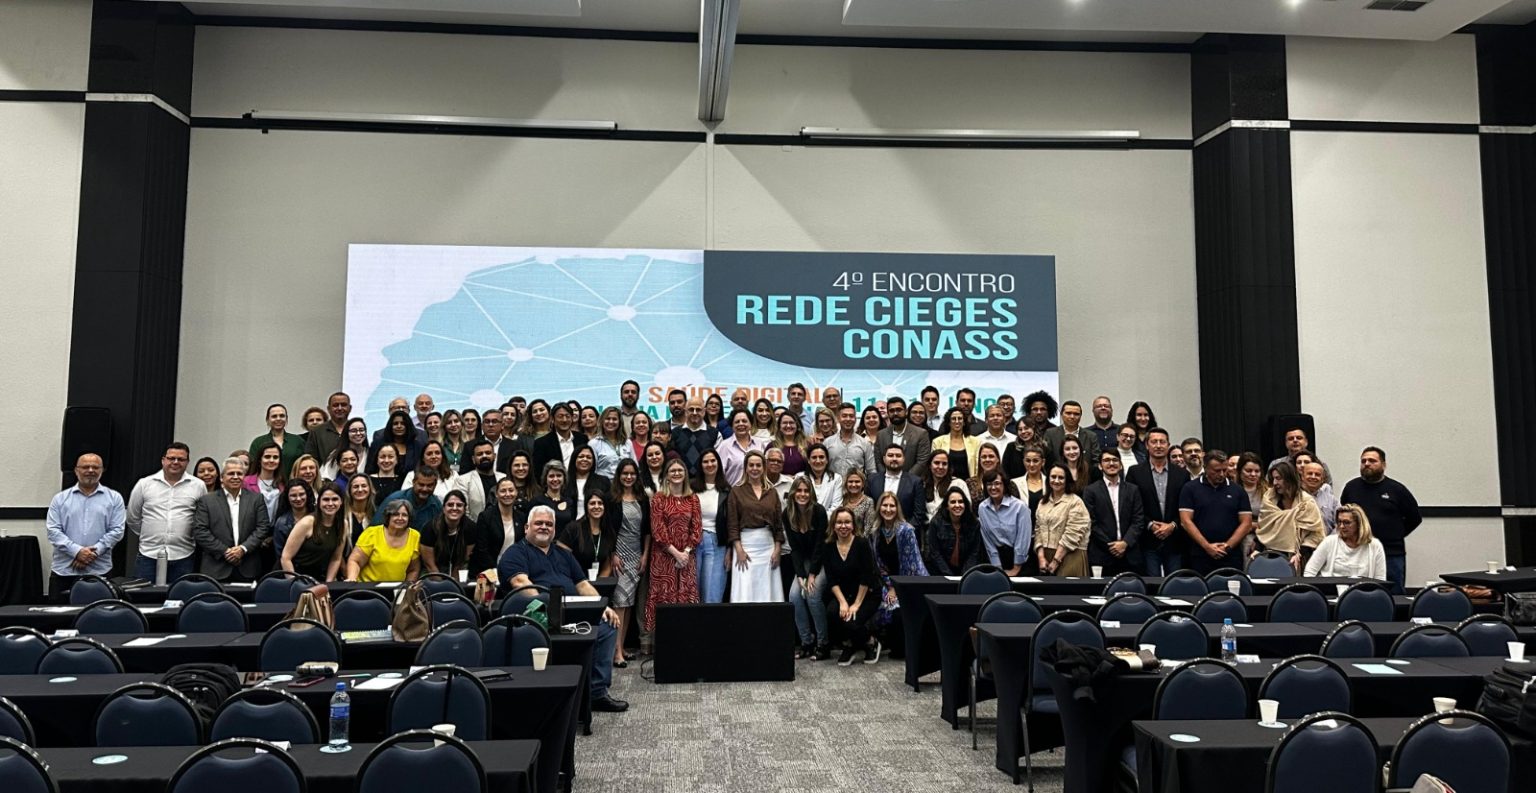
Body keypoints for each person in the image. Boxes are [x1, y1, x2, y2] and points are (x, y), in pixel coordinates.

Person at [499, 504, 628, 712]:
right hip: (539, 618)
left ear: (554, 529)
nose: (544, 527)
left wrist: (600, 607)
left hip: (573, 613)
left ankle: (597, 692)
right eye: (538, 523)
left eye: (548, 524)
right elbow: (521, 584)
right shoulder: (515, 553)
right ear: (526, 528)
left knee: (607, 626)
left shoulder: (564, 554)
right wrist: (551, 609)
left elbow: (583, 585)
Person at [1339, 447, 1421, 593]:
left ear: (1383, 465)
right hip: (1358, 551)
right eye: (1363, 461)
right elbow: (1344, 515)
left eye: (1372, 461)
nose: (1367, 464)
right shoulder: (1351, 488)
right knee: (1358, 593)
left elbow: (1414, 518)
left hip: (1391, 553)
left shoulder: (1397, 490)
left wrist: (1395, 534)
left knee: (1394, 594)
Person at [45, 453, 125, 601]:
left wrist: (91, 554)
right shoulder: (60, 499)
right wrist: (77, 552)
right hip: (64, 571)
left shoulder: (114, 498)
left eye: (95, 467)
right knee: (57, 619)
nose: (90, 470)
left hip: (99, 572)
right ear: (76, 470)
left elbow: (117, 531)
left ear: (102, 470)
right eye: (85, 467)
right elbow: (53, 531)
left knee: (98, 618)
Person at [126, 442, 203, 582]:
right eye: (171, 458)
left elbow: (201, 518)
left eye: (181, 459)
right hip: (148, 555)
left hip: (183, 555)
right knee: (143, 600)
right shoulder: (144, 484)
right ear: (163, 460)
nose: (175, 462)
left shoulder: (198, 486)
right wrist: (150, 534)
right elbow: (133, 517)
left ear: (187, 462)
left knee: (179, 599)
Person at [192, 457, 272, 582]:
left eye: (239, 473)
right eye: (230, 473)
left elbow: (262, 528)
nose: (235, 477)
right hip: (216, 568)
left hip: (248, 567)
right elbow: (200, 531)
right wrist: (225, 551)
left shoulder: (256, 499)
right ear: (222, 478)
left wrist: (242, 549)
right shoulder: (207, 501)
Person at [869, 491, 926, 661]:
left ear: (897, 508)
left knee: (898, 612)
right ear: (879, 508)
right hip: (887, 583)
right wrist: (889, 587)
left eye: (892, 506)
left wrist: (896, 589)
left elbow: (911, 566)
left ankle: (901, 649)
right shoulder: (875, 533)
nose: (888, 509)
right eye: (884, 505)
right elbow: (879, 565)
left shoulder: (906, 530)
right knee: (878, 606)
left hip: (911, 583)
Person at [645, 458, 702, 631]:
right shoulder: (659, 499)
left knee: (686, 597)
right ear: (666, 476)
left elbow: (697, 529)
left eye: (680, 470)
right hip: (663, 557)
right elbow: (657, 531)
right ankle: (664, 643)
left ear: (685, 474)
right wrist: (675, 553)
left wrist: (685, 552)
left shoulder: (693, 499)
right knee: (664, 598)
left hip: (687, 557)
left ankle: (685, 641)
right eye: (673, 471)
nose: (677, 473)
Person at [1126, 428, 1191, 575]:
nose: (1158, 445)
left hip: (1175, 539)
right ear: (1147, 445)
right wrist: (1150, 525)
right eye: (1154, 442)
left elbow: (1185, 505)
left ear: (1168, 445)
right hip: (1147, 539)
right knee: (1151, 585)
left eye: (1162, 442)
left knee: (1174, 584)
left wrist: (1172, 525)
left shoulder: (1182, 474)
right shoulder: (1135, 472)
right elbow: (1133, 506)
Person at [822, 506, 881, 666]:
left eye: (847, 522)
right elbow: (831, 578)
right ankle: (853, 644)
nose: (843, 526)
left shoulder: (862, 544)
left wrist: (855, 605)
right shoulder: (828, 546)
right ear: (833, 525)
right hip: (844, 593)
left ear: (853, 525)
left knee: (851, 620)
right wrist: (842, 602)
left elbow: (866, 577)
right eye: (839, 522)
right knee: (833, 612)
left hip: (867, 594)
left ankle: (870, 642)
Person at [1178, 449, 1253, 574]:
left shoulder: (1237, 491)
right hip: (1200, 554)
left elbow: (1246, 523)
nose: (1222, 474)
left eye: (1225, 470)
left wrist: (1227, 546)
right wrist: (1207, 547)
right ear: (1206, 468)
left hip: (1231, 554)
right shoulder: (1190, 488)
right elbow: (1186, 521)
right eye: (1217, 471)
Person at [607, 459, 650, 665]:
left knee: (629, 604)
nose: (628, 477)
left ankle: (621, 647)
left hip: (637, 555)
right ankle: (616, 653)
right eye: (625, 473)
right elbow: (607, 529)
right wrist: (612, 553)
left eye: (632, 473)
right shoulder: (612, 499)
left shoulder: (642, 498)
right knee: (620, 603)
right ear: (619, 475)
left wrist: (645, 555)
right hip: (619, 557)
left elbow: (647, 531)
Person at [727, 450, 785, 602]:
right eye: (751, 465)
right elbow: (732, 524)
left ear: (763, 467)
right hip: (745, 546)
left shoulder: (771, 491)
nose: (754, 468)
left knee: (768, 590)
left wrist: (777, 549)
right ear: (745, 468)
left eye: (758, 465)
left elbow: (778, 524)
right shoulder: (736, 491)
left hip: (768, 546)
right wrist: (738, 549)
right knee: (745, 590)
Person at [784, 476, 830, 659]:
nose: (802, 494)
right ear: (793, 493)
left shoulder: (819, 512)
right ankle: (806, 641)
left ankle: (823, 643)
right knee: (794, 596)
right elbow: (794, 549)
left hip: (822, 560)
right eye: (799, 490)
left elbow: (821, 545)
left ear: (811, 494)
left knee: (812, 595)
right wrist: (801, 575)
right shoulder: (787, 514)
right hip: (802, 561)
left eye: (806, 491)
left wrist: (812, 574)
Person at [1083, 448, 1145, 576]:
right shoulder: (1091, 491)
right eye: (1106, 460)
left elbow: (1138, 520)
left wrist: (1125, 543)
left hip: (1130, 554)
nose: (1111, 463)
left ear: (1121, 465)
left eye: (1115, 460)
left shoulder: (1133, 490)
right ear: (1100, 466)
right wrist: (1112, 546)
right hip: (1103, 554)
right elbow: (1091, 523)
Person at [1254, 461, 1325, 573]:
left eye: (1279, 478)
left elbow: (1316, 534)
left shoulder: (1306, 503)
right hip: (1271, 555)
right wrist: (1257, 549)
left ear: (1289, 478)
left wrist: (1300, 553)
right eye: (1273, 479)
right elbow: (1264, 528)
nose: (1275, 483)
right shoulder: (1269, 501)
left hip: (1298, 557)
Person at [280, 482, 346, 581]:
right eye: (326, 500)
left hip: (318, 577)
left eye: (335, 499)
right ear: (319, 502)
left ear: (341, 502)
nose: (330, 503)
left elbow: (336, 558)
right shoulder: (306, 523)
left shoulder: (343, 524)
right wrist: (295, 584)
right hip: (293, 576)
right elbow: (286, 558)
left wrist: (328, 585)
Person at [1034, 463, 1091, 576]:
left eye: (1061, 477)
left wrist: (1056, 561)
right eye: (1053, 477)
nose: (1056, 480)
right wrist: (1041, 557)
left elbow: (1073, 534)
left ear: (1067, 480)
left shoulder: (1075, 502)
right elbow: (1038, 530)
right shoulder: (1042, 502)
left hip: (1070, 555)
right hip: (1046, 556)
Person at [1305, 504, 1387, 579]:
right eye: (1339, 522)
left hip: (1363, 593)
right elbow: (1309, 571)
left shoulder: (1375, 546)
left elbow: (1380, 579)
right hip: (1333, 593)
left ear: (1359, 524)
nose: (1341, 526)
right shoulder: (1329, 542)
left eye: (1347, 523)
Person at [347, 500, 421, 583]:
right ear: (388, 516)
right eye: (395, 514)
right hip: (368, 588)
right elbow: (355, 561)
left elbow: (413, 569)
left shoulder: (415, 536)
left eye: (404, 515)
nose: (400, 518)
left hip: (396, 590)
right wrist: (352, 579)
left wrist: (407, 588)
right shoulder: (372, 533)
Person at [692, 448, 731, 604]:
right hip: (693, 543)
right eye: (705, 461)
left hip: (716, 543)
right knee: (693, 589)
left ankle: (710, 627)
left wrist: (729, 550)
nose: (709, 464)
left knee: (712, 592)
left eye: (713, 461)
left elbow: (731, 522)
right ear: (700, 465)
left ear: (718, 464)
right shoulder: (691, 488)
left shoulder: (727, 490)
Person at [977, 471, 1031, 575]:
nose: (993, 487)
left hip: (1020, 558)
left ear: (1004, 485)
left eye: (997, 483)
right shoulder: (983, 508)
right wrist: (997, 567)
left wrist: (1016, 568)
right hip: (997, 558)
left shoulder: (1020, 507)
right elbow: (988, 540)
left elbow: (1023, 539)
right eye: (989, 484)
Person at [867, 444, 927, 534]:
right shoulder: (872, 479)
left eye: (898, 456)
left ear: (903, 459)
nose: (894, 458)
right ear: (884, 459)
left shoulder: (916, 482)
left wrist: (904, 530)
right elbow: (869, 509)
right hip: (877, 534)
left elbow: (919, 513)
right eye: (890, 455)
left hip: (906, 535)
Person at [471, 477, 524, 575]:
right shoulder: (485, 517)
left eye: (511, 490)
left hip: (514, 568)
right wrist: (496, 571)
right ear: (496, 494)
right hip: (489, 570)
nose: (507, 494)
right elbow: (482, 550)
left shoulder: (521, 517)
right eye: (503, 491)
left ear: (516, 493)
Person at [924, 486, 981, 575]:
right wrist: (949, 576)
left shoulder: (974, 524)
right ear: (947, 506)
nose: (957, 505)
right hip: (939, 572)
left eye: (961, 502)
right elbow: (935, 553)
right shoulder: (936, 523)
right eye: (953, 502)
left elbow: (974, 553)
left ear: (965, 504)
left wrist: (964, 576)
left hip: (966, 572)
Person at [558, 491, 614, 579]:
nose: (596, 506)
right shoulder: (573, 528)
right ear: (586, 507)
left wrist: (597, 585)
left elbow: (607, 566)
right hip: (573, 580)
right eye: (592, 503)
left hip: (598, 584)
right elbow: (561, 559)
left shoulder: (608, 532)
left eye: (600, 503)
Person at [419, 489, 474, 577]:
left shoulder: (471, 528)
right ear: (444, 509)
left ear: (464, 509)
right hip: (431, 571)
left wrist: (453, 585)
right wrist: (443, 586)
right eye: (450, 505)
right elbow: (429, 564)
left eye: (459, 505)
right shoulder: (429, 528)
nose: (454, 508)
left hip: (458, 570)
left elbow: (462, 561)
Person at [249, 404, 306, 482]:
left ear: (286, 419)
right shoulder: (258, 442)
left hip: (293, 486)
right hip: (264, 486)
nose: (278, 419)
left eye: (282, 416)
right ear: (267, 419)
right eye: (274, 416)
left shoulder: (297, 441)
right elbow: (253, 467)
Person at [876, 396, 932, 474]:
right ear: (888, 413)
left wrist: (905, 480)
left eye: (899, 410)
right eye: (892, 411)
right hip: (887, 482)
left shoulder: (921, 433)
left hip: (912, 482)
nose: (895, 413)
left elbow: (922, 461)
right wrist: (887, 478)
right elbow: (878, 461)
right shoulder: (881, 434)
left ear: (906, 412)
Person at [375, 466, 443, 527]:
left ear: (435, 485)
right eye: (421, 485)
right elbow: (374, 528)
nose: (425, 489)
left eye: (429, 485)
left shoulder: (436, 505)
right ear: (413, 482)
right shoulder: (395, 500)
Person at [824, 403, 876, 481]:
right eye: (844, 416)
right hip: (833, 490)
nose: (848, 419)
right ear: (838, 418)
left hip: (856, 489)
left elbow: (871, 471)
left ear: (855, 419)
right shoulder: (827, 443)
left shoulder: (864, 444)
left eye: (851, 416)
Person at [533, 402, 589, 474]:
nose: (564, 420)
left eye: (567, 416)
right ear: (552, 419)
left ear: (572, 418)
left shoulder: (582, 439)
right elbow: (538, 471)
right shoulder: (541, 443)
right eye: (560, 416)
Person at [269, 480, 314, 568]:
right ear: (287, 498)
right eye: (293, 495)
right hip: (292, 570)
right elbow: (280, 555)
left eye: (301, 494)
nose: (298, 498)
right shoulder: (281, 523)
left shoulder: (318, 517)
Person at [1043, 400, 1101, 468]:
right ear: (1061, 414)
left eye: (1076, 414)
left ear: (1080, 416)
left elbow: (1096, 461)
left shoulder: (1091, 436)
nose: (1072, 417)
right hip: (1058, 476)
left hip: (1085, 477)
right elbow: (1045, 459)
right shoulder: (1050, 434)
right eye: (1068, 413)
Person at [671, 397, 719, 476]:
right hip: (681, 482)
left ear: (704, 412)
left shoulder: (715, 434)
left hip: (705, 482)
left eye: (698, 410)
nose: (694, 413)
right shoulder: (675, 433)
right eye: (691, 409)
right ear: (686, 412)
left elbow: (718, 462)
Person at [933, 407, 982, 480]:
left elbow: (978, 468)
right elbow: (934, 467)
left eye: (960, 418)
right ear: (949, 422)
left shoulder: (976, 442)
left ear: (964, 422)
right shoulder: (937, 442)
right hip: (944, 485)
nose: (957, 421)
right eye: (953, 419)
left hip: (969, 486)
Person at [304, 392, 351, 463]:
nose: (340, 408)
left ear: (350, 408)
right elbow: (311, 460)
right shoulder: (317, 432)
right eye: (335, 405)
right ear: (328, 409)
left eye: (343, 405)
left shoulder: (357, 430)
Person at [244, 442, 285, 520]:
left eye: (275, 457)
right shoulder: (246, 482)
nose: (272, 460)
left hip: (275, 529)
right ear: (260, 460)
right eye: (267, 457)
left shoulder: (283, 485)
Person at [1301, 461, 1339, 535]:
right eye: (1310, 473)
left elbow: (1339, 523)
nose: (1313, 477)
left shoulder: (1331, 500)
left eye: (1317, 474)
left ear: (1322, 479)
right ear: (1302, 477)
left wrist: (1328, 542)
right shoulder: (1294, 497)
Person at [921, 450, 958, 526]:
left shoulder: (958, 483)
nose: (940, 467)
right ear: (929, 465)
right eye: (937, 463)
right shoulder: (922, 485)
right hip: (928, 530)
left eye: (944, 464)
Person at [1010, 447, 1048, 517]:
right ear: (1023, 462)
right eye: (1028, 461)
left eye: (1035, 461)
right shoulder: (1015, 483)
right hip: (1022, 525)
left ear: (1043, 462)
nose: (1031, 464)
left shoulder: (1049, 482)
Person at [804, 443, 843, 512]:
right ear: (808, 460)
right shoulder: (800, 477)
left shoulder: (836, 479)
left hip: (829, 521)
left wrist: (821, 519)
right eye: (814, 457)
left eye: (821, 457)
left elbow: (836, 506)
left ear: (827, 460)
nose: (818, 461)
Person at [344, 475, 377, 548]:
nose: (360, 489)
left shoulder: (376, 514)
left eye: (364, 486)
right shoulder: (341, 514)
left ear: (370, 489)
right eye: (355, 486)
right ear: (349, 490)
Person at [840, 469, 875, 536]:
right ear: (846, 484)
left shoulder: (868, 502)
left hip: (860, 542)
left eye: (857, 482)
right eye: (850, 481)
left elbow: (869, 528)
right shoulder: (841, 499)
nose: (853, 484)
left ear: (863, 484)